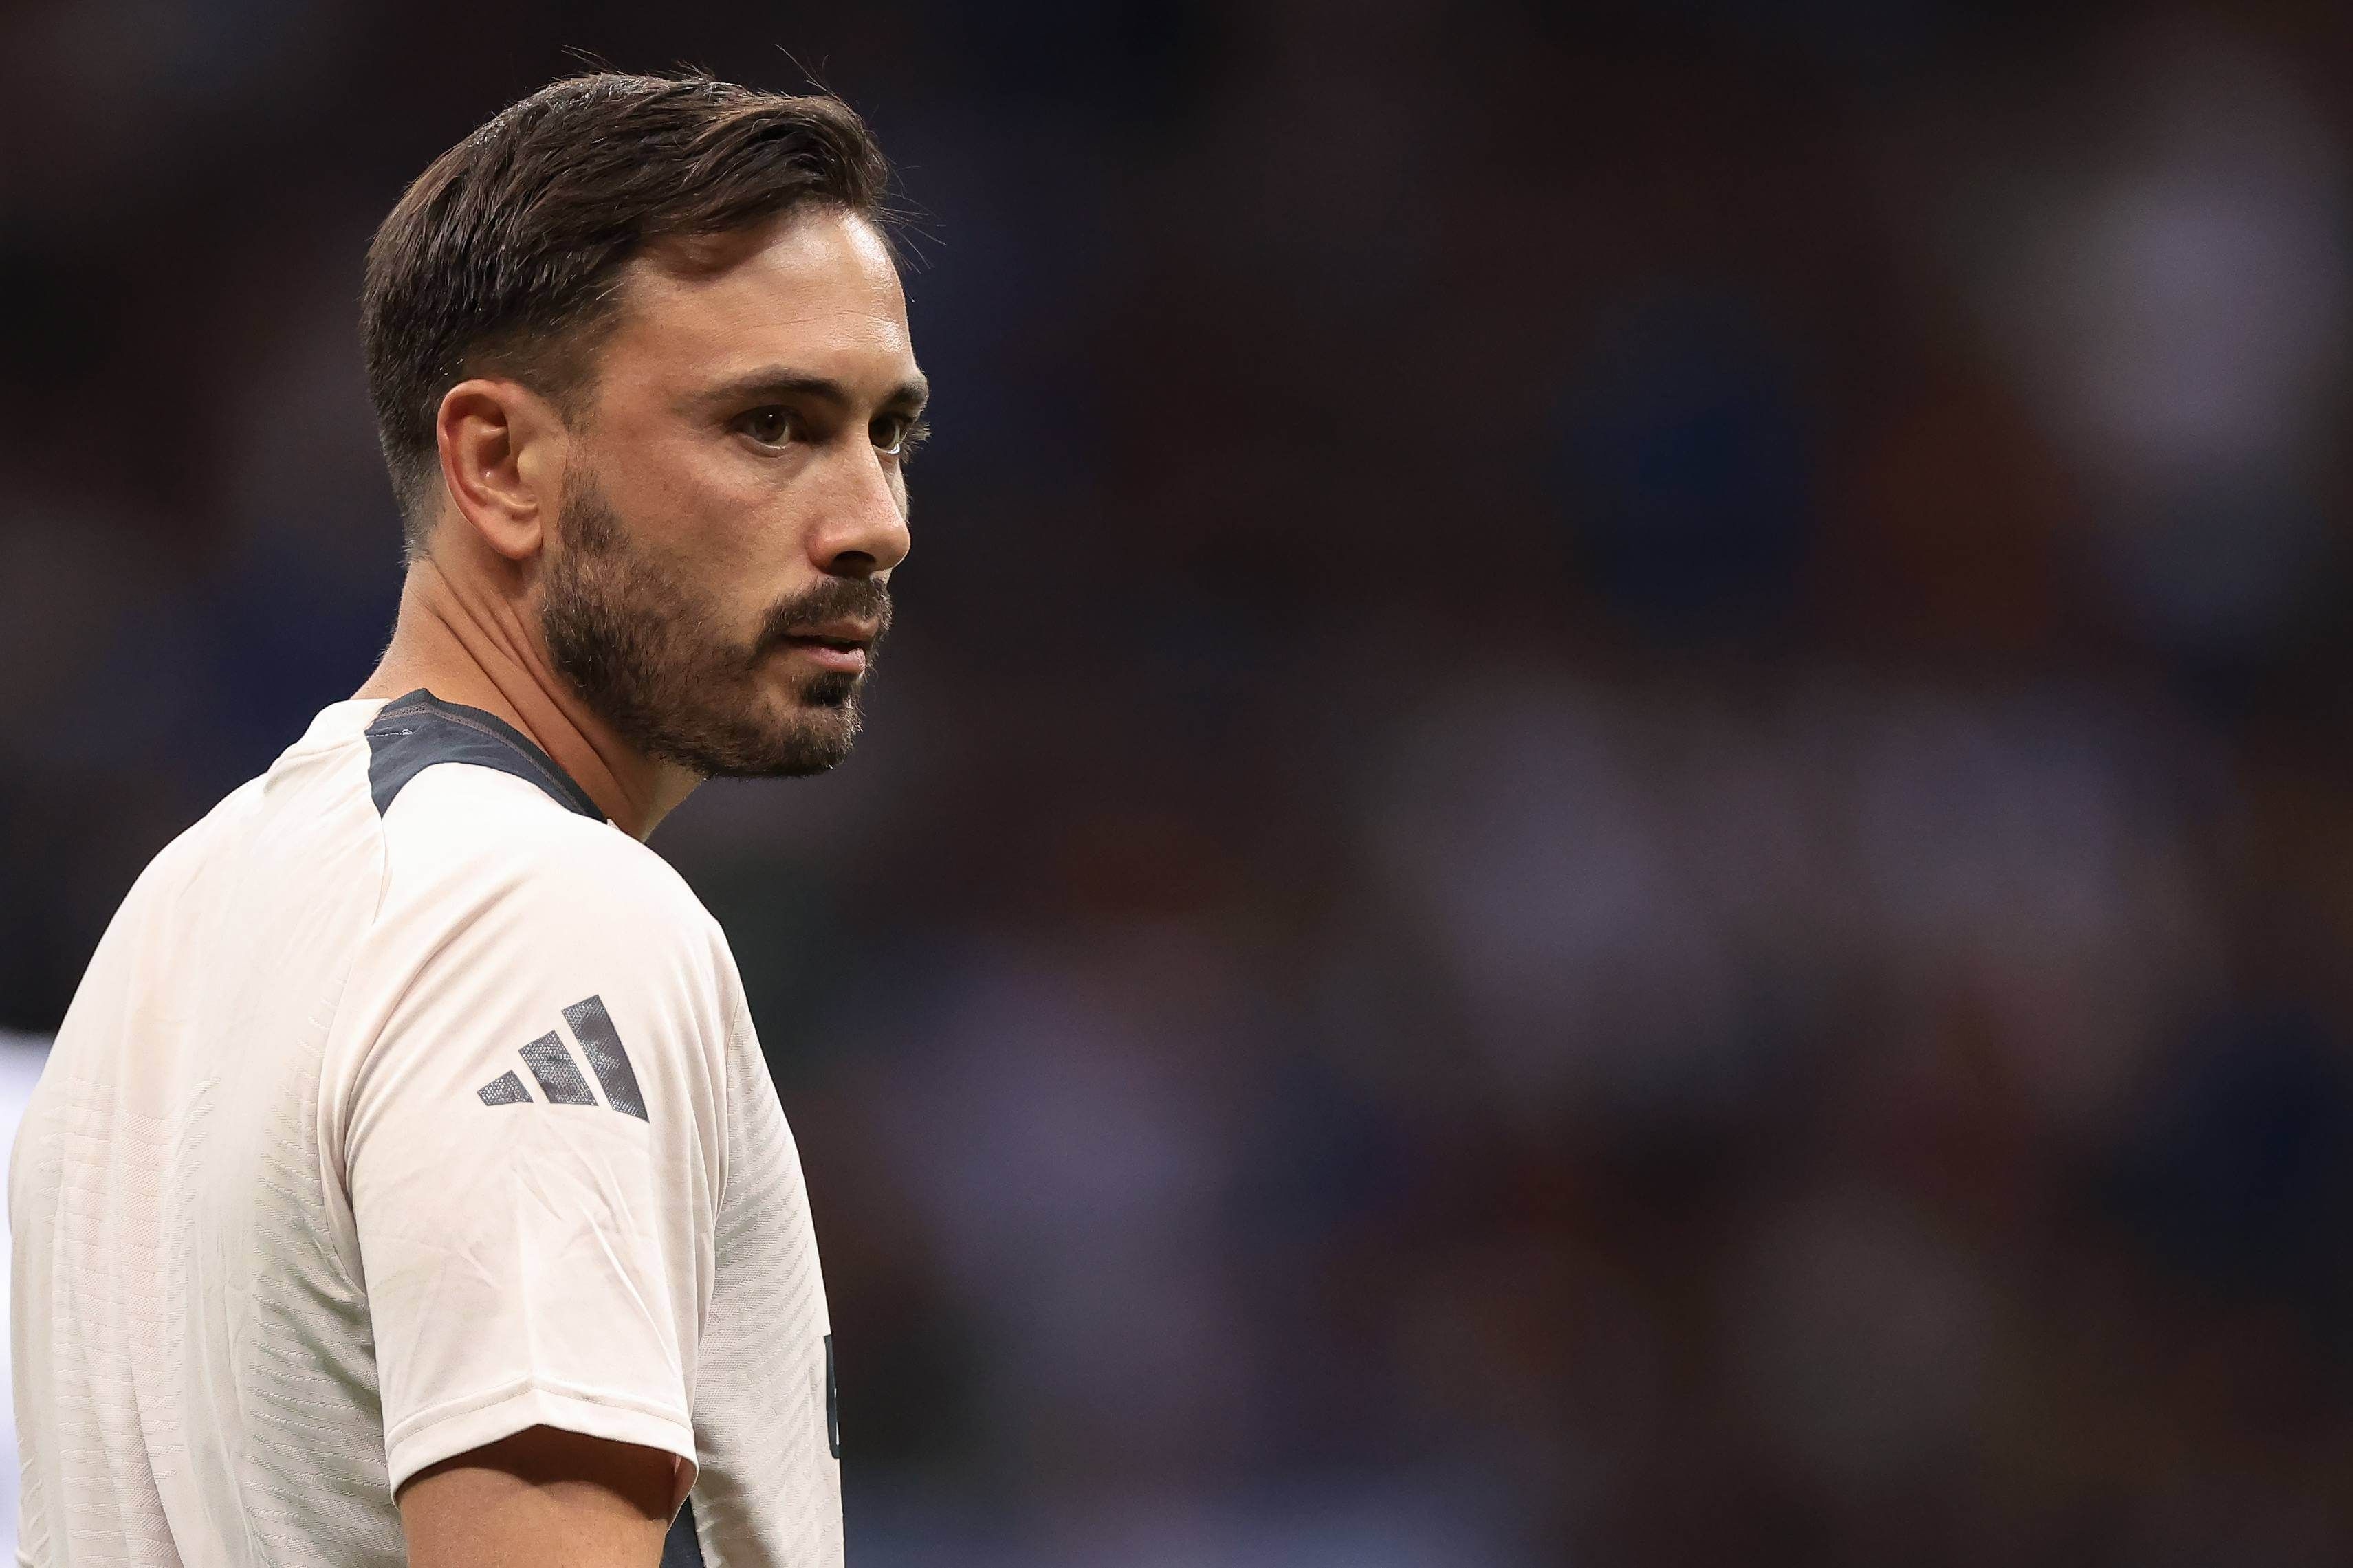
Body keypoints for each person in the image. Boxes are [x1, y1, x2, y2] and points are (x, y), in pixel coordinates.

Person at [8, 71, 925, 1567]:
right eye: (771, 425)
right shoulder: (539, 911)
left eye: (890, 432)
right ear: (499, 461)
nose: (874, 518)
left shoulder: (175, 914)